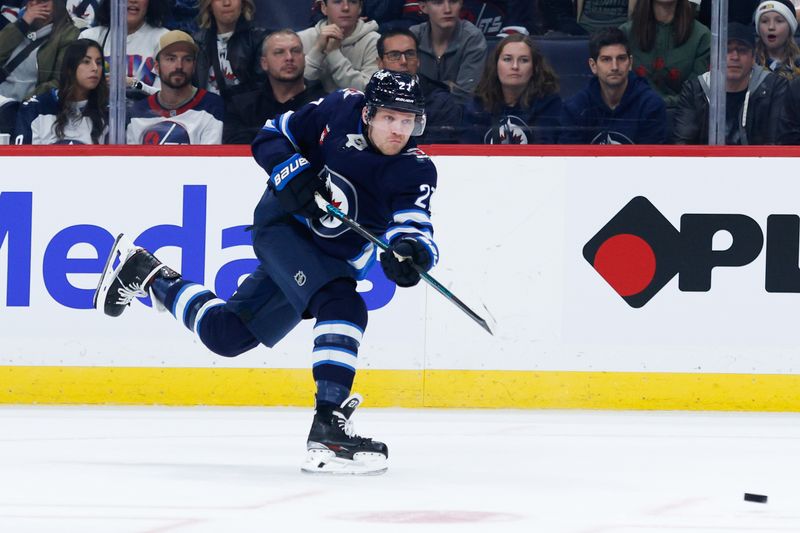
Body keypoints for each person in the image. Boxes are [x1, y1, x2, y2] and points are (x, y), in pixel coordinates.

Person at [94, 69, 437, 475]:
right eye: (389, 118)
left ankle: (149, 274)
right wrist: (288, 169)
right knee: (342, 304)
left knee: (227, 335)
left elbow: (415, 225)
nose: (399, 130)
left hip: (331, 257)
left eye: (408, 120)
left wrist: (410, 252)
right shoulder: (339, 109)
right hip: (283, 227)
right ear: (368, 113)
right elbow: (272, 133)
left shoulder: (416, 169)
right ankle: (329, 423)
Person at [673, 22, 788, 145]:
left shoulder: (774, 88)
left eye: (742, 50)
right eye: (727, 50)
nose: (734, 57)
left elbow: (776, 145)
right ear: (715, 56)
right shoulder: (695, 90)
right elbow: (683, 146)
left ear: (753, 57)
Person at [560, 28, 666, 144]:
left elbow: (652, 160)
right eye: (606, 59)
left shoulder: (650, 105)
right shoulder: (576, 108)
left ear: (630, 63)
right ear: (593, 65)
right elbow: (569, 160)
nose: (615, 66)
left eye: (621, 58)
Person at [223, 28, 326, 144]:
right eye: (279, 52)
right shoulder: (241, 106)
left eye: (295, 51)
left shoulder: (325, 105)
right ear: (264, 63)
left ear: (304, 58)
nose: (289, 58)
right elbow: (233, 149)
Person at [460, 33, 561, 144]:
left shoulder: (548, 103)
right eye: (507, 59)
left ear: (534, 68)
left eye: (524, 60)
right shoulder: (479, 103)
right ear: (496, 65)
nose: (515, 66)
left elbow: (545, 152)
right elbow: (469, 151)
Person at [126, 30, 224, 144]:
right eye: (171, 59)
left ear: (194, 66)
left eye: (187, 59)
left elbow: (209, 160)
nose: (179, 66)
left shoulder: (211, 106)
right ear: (157, 67)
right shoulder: (137, 112)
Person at [620, 0, 710, 109]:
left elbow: (696, 91)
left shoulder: (702, 36)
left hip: (683, 115)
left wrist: (661, 103)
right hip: (635, 114)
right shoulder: (625, 33)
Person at [376, 27, 461, 143]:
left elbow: (439, 151)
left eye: (410, 54)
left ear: (418, 60)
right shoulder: (371, 98)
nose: (403, 61)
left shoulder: (441, 102)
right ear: (380, 63)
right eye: (394, 55)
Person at [15, 37, 106, 142]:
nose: (95, 68)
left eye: (99, 63)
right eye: (86, 61)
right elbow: (22, 157)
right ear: (69, 68)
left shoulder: (109, 111)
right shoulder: (36, 108)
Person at [80, 0, 169, 99]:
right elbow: (76, 90)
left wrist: (134, 84)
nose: (133, 1)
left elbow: (167, 97)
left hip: (149, 113)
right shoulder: (90, 37)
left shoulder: (164, 39)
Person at [0, 0, 79, 102]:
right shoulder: (20, 25)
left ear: (58, 5)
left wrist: (27, 103)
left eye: (42, 1)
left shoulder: (68, 35)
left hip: (25, 108)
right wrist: (22, 24)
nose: (33, 4)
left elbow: (59, 81)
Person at [410, 0, 486, 101]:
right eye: (438, 3)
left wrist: (425, 86)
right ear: (423, 7)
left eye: (453, 1)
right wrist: (447, 87)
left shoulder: (472, 38)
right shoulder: (413, 36)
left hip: (458, 113)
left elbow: (465, 95)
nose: (447, 9)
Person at [192, 0, 266, 104]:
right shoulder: (197, 43)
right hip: (207, 115)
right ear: (209, 6)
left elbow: (263, 88)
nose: (226, 3)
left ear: (243, 3)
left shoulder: (258, 40)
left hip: (246, 116)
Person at [298, 0, 380, 92]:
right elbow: (295, 86)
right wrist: (318, 50)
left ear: (360, 8)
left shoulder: (374, 41)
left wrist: (333, 53)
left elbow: (368, 90)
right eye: (337, 2)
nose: (345, 8)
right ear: (324, 8)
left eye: (353, 2)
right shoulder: (301, 39)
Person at [754, 0, 800, 81]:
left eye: (779, 21)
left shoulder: (797, 64)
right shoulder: (749, 64)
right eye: (764, 21)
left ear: (790, 27)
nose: (771, 27)